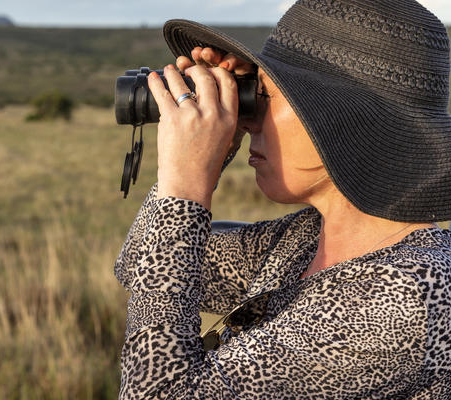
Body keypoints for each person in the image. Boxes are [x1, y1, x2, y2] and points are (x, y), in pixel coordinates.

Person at [113, 0, 451, 398]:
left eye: (264, 98)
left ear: (341, 117)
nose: (249, 117)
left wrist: (186, 185)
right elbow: (141, 264)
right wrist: (215, 151)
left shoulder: (413, 293)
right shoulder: (304, 242)